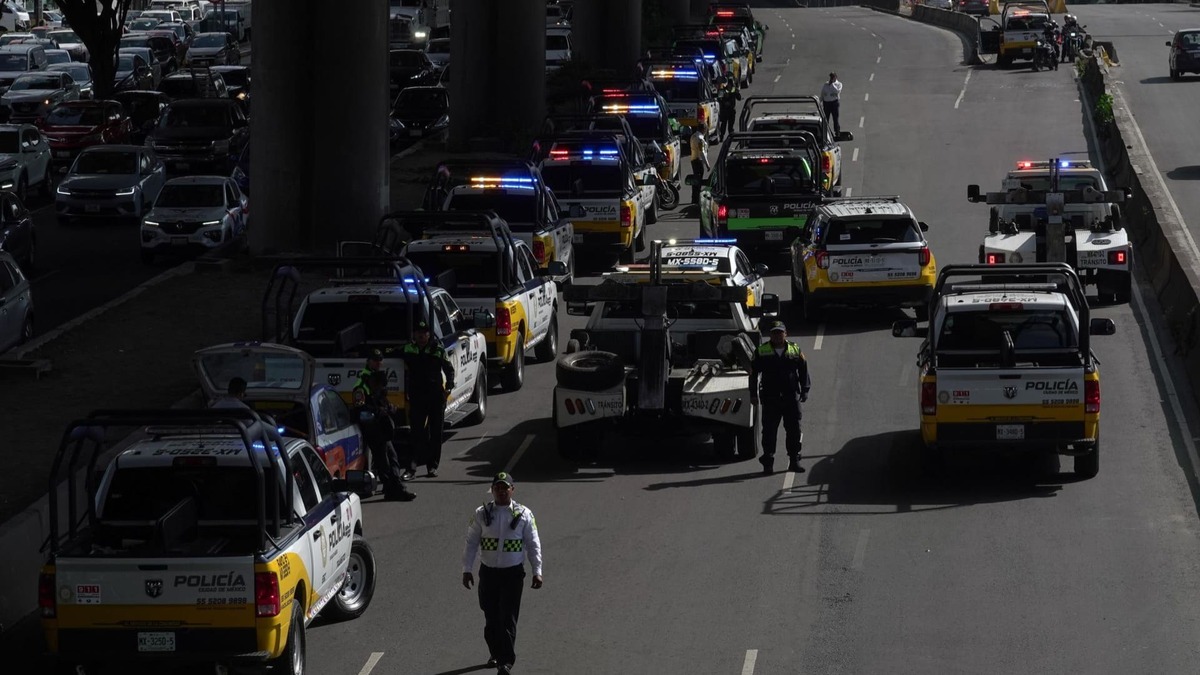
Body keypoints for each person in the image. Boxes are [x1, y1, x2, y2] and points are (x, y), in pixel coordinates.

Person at [462, 472, 543, 675]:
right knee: (491, 618)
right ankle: (496, 653)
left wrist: (537, 571)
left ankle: (506, 661)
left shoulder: (524, 514)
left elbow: (533, 544)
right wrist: (467, 570)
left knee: (507, 617)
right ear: (492, 490)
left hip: (513, 575)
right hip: (488, 574)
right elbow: (471, 543)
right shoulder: (481, 513)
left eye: (505, 487)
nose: (501, 491)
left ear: (512, 490)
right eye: (497, 487)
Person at [748, 321, 812, 475]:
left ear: (785, 334)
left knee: (794, 430)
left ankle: (794, 461)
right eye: (774, 333)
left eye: (780, 332)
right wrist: (753, 394)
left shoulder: (794, 349)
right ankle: (768, 463)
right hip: (771, 399)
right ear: (771, 335)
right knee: (769, 432)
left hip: (791, 398)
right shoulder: (761, 351)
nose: (777, 336)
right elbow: (753, 373)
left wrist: (805, 390)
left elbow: (803, 370)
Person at [354, 355, 417, 501]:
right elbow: (361, 410)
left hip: (382, 428)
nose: (378, 363)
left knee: (392, 458)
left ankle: (393, 489)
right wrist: (378, 412)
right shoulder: (362, 384)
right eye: (374, 360)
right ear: (368, 361)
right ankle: (395, 490)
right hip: (374, 429)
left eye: (379, 360)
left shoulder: (377, 378)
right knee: (385, 462)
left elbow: (382, 401)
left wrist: (390, 408)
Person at [401, 320, 455, 478]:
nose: (421, 335)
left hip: (436, 397)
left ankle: (432, 466)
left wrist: (449, 388)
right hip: (417, 397)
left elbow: (449, 369)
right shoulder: (408, 349)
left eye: (424, 333)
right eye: (418, 332)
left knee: (435, 433)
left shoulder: (437, 350)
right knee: (415, 434)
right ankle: (411, 469)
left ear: (429, 335)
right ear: (414, 335)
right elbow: (390, 352)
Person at [688, 123, 710, 206]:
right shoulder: (700, 139)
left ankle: (694, 198)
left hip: (693, 159)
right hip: (698, 161)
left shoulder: (693, 136)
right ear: (704, 129)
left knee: (695, 179)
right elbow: (702, 152)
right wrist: (707, 164)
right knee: (698, 181)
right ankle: (696, 199)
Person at [716, 77, 741, 142]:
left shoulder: (734, 90)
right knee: (723, 125)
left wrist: (737, 92)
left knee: (731, 125)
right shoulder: (723, 90)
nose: (730, 85)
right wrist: (724, 102)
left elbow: (739, 98)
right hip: (725, 110)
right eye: (729, 84)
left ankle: (731, 137)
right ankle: (721, 137)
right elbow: (719, 99)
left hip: (732, 110)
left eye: (731, 84)